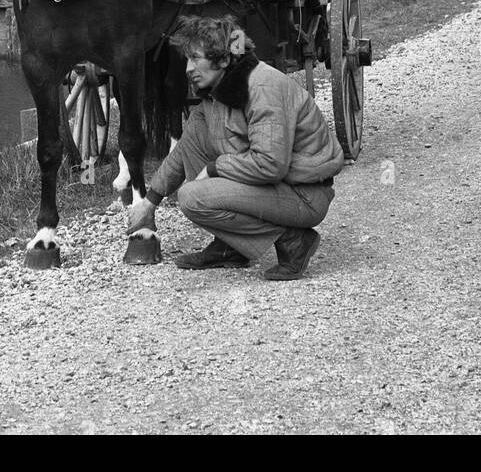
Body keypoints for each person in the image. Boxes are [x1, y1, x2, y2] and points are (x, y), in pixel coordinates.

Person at [127, 15, 344, 281]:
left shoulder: (264, 87)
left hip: (304, 195)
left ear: (224, 60)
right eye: (187, 59)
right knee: (194, 143)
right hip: (277, 187)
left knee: (192, 197)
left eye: (195, 58)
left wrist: (215, 168)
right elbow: (185, 149)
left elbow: (270, 165)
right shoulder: (217, 92)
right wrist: (150, 201)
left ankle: (293, 240)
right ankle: (231, 246)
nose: (187, 68)